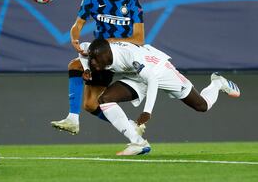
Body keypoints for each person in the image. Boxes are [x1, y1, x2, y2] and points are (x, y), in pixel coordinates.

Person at [81, 39, 240, 155]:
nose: (93, 62)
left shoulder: (130, 56)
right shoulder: (96, 51)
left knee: (202, 106)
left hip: (160, 71)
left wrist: (147, 111)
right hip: (137, 76)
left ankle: (217, 83)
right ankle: (138, 143)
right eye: (91, 59)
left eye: (95, 59)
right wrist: (87, 68)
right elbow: (83, 47)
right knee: (104, 99)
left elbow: (152, 81)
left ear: (107, 54)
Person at [51, 0, 145, 135]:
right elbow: (77, 24)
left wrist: (108, 41)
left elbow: (139, 38)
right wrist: (74, 38)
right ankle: (131, 126)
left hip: (123, 53)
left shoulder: (131, 1)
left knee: (75, 65)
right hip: (102, 53)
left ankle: (72, 118)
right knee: (91, 104)